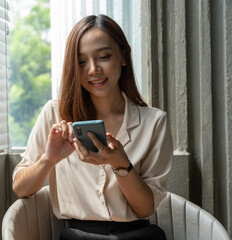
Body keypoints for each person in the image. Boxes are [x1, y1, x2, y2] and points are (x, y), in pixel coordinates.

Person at [12, 14, 173, 240]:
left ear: (123, 56)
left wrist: (120, 164)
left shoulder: (154, 122)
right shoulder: (54, 114)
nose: (93, 69)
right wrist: (49, 159)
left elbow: (145, 209)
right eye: (81, 62)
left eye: (104, 57)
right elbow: (21, 188)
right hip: (78, 235)